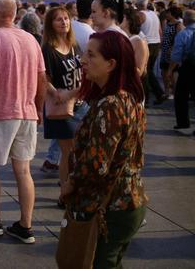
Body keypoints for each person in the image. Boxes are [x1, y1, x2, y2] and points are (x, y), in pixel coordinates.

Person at [61, 30, 147, 268]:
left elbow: (96, 165)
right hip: (128, 201)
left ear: (111, 64)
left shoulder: (110, 105)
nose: (83, 60)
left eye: (91, 55)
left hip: (111, 206)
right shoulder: (129, 97)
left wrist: (69, 184)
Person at [0, 0, 46, 244]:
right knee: (23, 171)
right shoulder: (31, 40)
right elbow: (41, 80)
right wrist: (37, 109)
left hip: (0, 113)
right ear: (14, 15)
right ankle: (25, 226)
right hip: (26, 112)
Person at [41, 7, 85, 205]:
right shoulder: (48, 50)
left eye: (66, 18)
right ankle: (65, 193)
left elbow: (83, 67)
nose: (64, 22)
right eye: (59, 20)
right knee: (68, 152)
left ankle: (73, 188)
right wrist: (55, 93)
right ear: (50, 24)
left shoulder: (74, 44)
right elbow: (44, 78)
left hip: (80, 104)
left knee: (77, 150)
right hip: (61, 108)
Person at [136, 0, 166, 104]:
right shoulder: (154, 14)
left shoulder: (140, 15)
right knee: (149, 70)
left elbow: (135, 28)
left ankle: (146, 97)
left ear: (138, 5)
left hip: (146, 44)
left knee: (144, 71)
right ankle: (159, 93)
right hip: (156, 43)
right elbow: (160, 30)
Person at [169, 9, 195, 130]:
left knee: (181, 96)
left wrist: (170, 70)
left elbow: (176, 56)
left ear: (185, 20)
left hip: (188, 68)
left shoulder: (183, 34)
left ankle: (183, 122)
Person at [159, 6, 183, 99]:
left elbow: (178, 39)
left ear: (172, 14)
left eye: (168, 13)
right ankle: (166, 91)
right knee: (163, 71)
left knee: (172, 72)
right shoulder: (167, 23)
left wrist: (172, 48)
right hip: (165, 50)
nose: (166, 14)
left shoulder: (178, 25)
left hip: (172, 51)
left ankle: (175, 91)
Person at [121, 8, 150, 80]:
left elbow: (139, 71)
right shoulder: (122, 36)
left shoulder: (138, 40)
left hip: (130, 83)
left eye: (122, 17)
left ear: (129, 21)